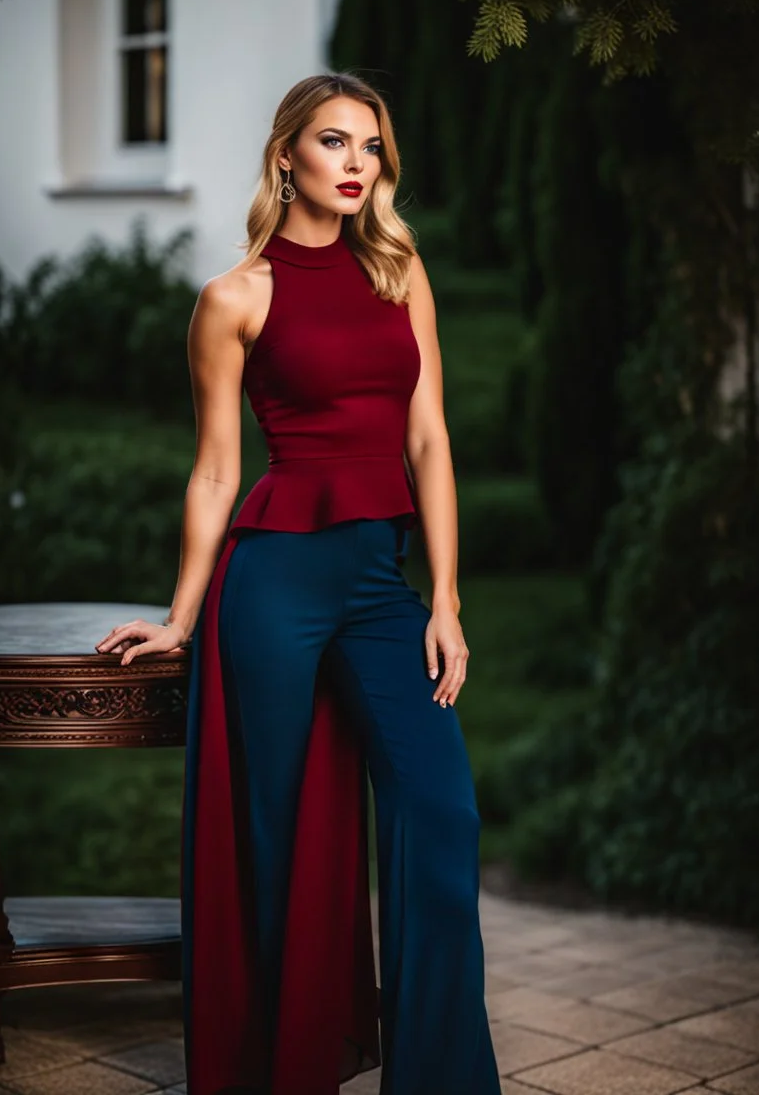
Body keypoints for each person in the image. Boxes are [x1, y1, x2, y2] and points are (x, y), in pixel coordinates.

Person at [96, 72, 501, 1095]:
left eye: (371, 145)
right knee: (273, 838)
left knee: (442, 811)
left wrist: (445, 600)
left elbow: (429, 438)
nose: (358, 162)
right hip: (270, 584)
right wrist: (181, 616)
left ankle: (444, 1079)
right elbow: (216, 470)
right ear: (289, 157)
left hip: (378, 586)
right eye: (334, 142)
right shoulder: (234, 299)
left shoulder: (400, 274)